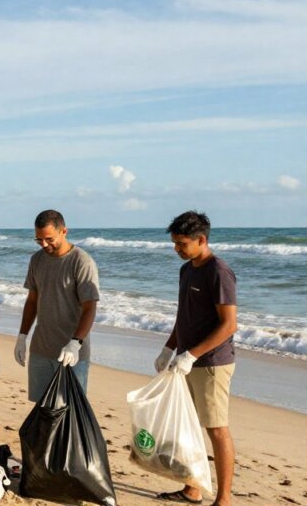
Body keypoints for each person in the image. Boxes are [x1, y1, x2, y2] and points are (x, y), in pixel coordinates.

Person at [153, 211, 237, 506]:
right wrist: (169, 348)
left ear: (201, 239)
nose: (177, 249)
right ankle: (192, 489)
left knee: (216, 429)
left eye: (181, 244)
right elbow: (183, 316)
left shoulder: (219, 271)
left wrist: (192, 354)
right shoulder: (187, 269)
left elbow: (229, 324)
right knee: (188, 425)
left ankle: (224, 499)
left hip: (212, 363)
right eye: (175, 244)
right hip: (185, 359)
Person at [14, 209, 100, 402]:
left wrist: (75, 343)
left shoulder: (81, 262)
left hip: (72, 354)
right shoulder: (36, 260)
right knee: (42, 410)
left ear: (64, 231)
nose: (44, 244)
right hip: (41, 349)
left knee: (68, 412)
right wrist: (22, 336)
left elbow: (89, 307)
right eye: (39, 240)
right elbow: (32, 301)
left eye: (49, 239)